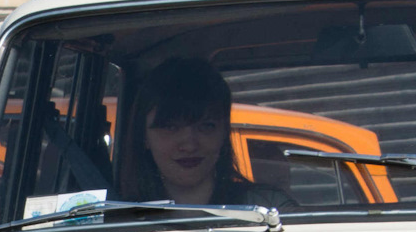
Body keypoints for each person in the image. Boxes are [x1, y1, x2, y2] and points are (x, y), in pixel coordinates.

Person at [117, 57, 290, 209]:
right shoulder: (115, 219)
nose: (190, 145)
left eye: (206, 126)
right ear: (144, 137)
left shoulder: (268, 208)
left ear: (224, 132)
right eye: (170, 128)